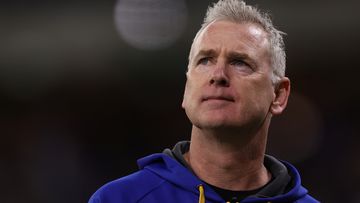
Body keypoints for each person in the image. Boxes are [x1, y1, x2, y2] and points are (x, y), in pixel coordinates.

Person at [89, 0, 319, 202]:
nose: (218, 75)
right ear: (187, 88)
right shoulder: (118, 199)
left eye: (240, 62)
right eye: (205, 60)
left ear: (279, 95)